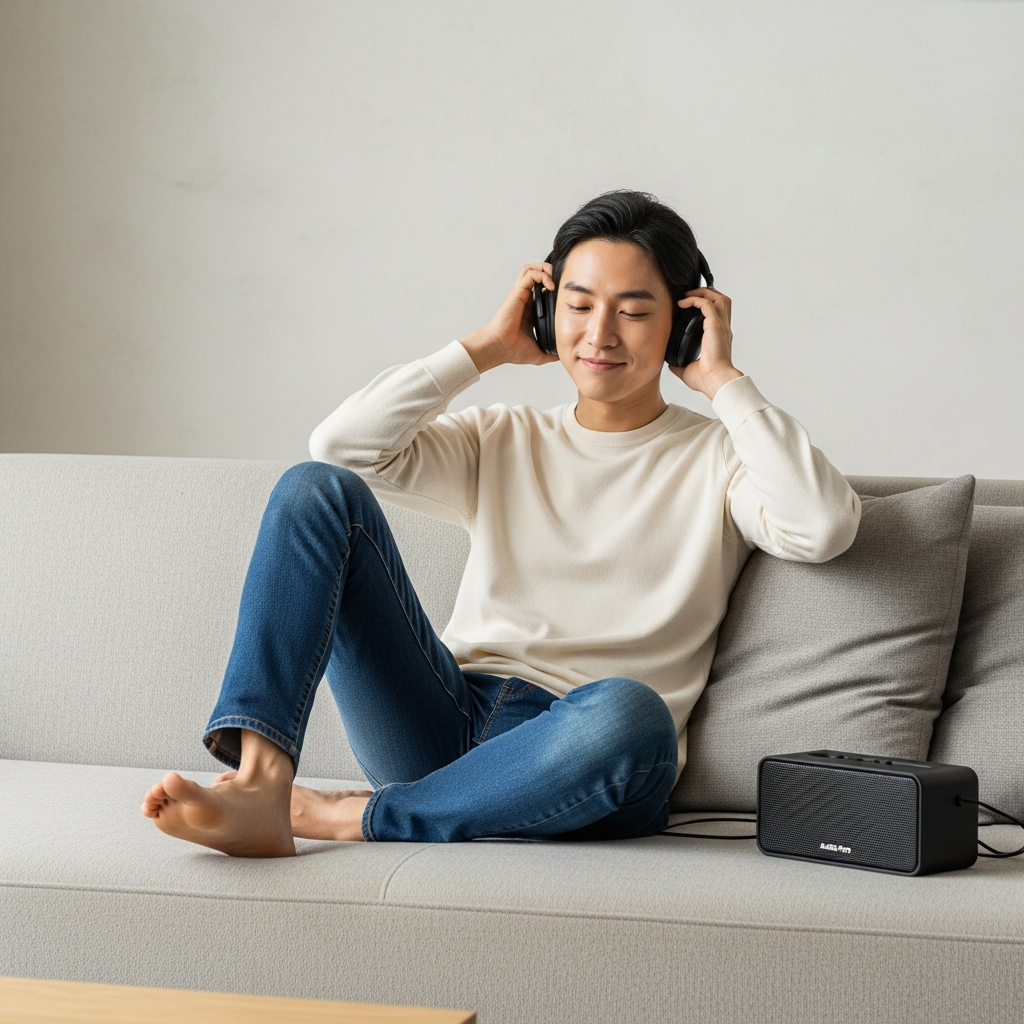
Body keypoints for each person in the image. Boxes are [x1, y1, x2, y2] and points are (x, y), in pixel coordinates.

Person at [141, 190, 860, 856]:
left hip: (586, 749)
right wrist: (485, 349)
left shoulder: (721, 457)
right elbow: (341, 448)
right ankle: (262, 788)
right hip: (446, 716)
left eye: (635, 312)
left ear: (683, 325)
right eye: (577, 306)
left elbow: (823, 524)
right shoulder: (501, 437)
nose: (600, 334)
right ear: (547, 313)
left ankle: (351, 816)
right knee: (313, 491)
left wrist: (722, 381)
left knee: (631, 713)